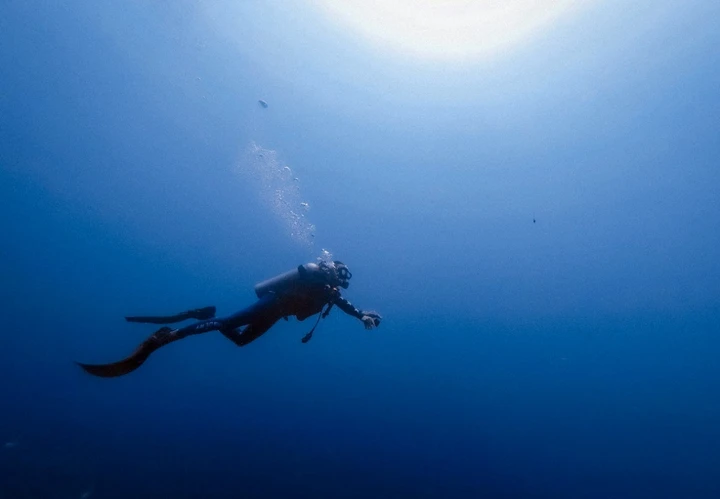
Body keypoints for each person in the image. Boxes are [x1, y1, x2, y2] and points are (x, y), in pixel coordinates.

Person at [77, 260, 382, 378]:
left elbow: (344, 304)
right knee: (226, 325)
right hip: (273, 302)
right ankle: (166, 337)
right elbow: (305, 273)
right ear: (332, 271)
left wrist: (361, 316)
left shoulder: (330, 293)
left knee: (240, 341)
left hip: (278, 314)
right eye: (339, 276)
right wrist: (321, 275)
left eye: (340, 280)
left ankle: (205, 314)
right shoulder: (318, 276)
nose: (339, 283)